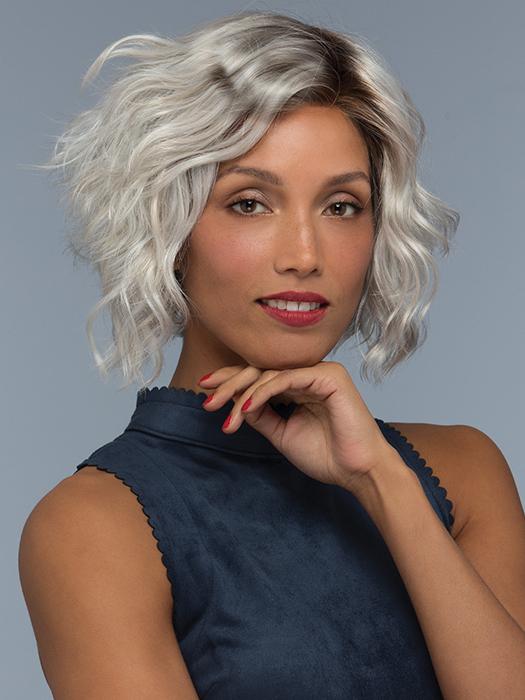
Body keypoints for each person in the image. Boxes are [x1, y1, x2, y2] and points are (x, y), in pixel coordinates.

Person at [18, 10, 525, 700]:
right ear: (170, 228)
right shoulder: (94, 527)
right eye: (250, 203)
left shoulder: (464, 472)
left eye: (341, 206)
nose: (305, 255)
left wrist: (381, 479)